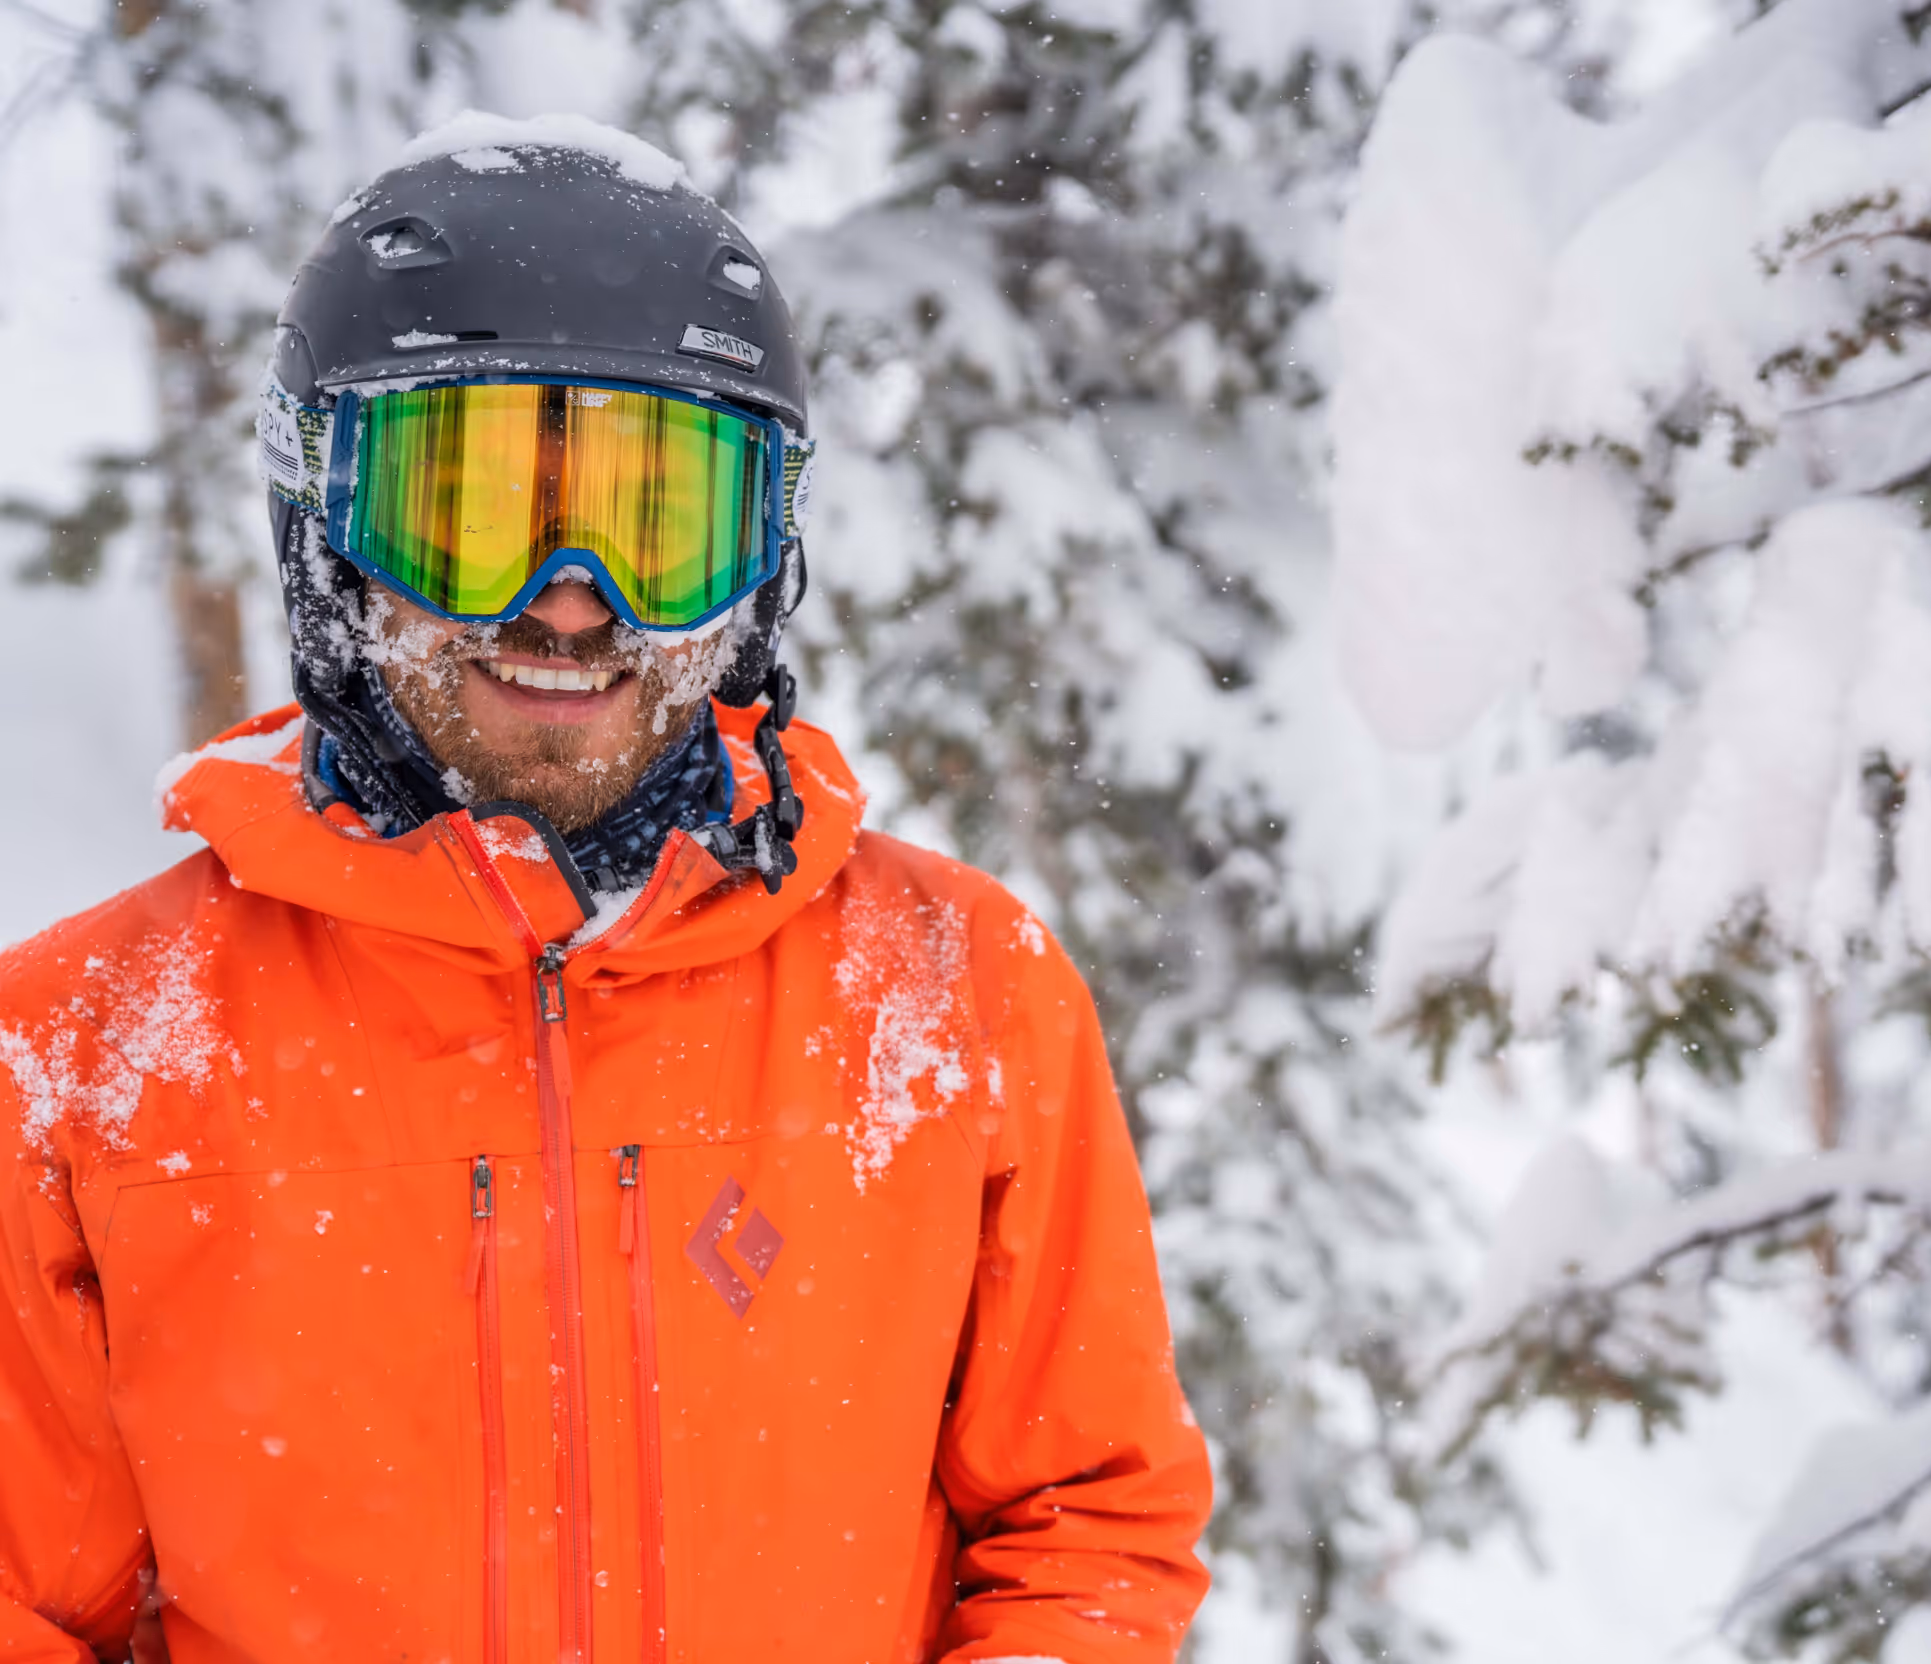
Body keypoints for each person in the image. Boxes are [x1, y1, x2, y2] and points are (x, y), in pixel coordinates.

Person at [0, 117, 1211, 1664]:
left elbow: (1087, 1522)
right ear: (328, 528)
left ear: (763, 554)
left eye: (660, 520)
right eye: (476, 507)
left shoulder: (957, 992)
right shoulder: (77, 1055)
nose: (571, 602)